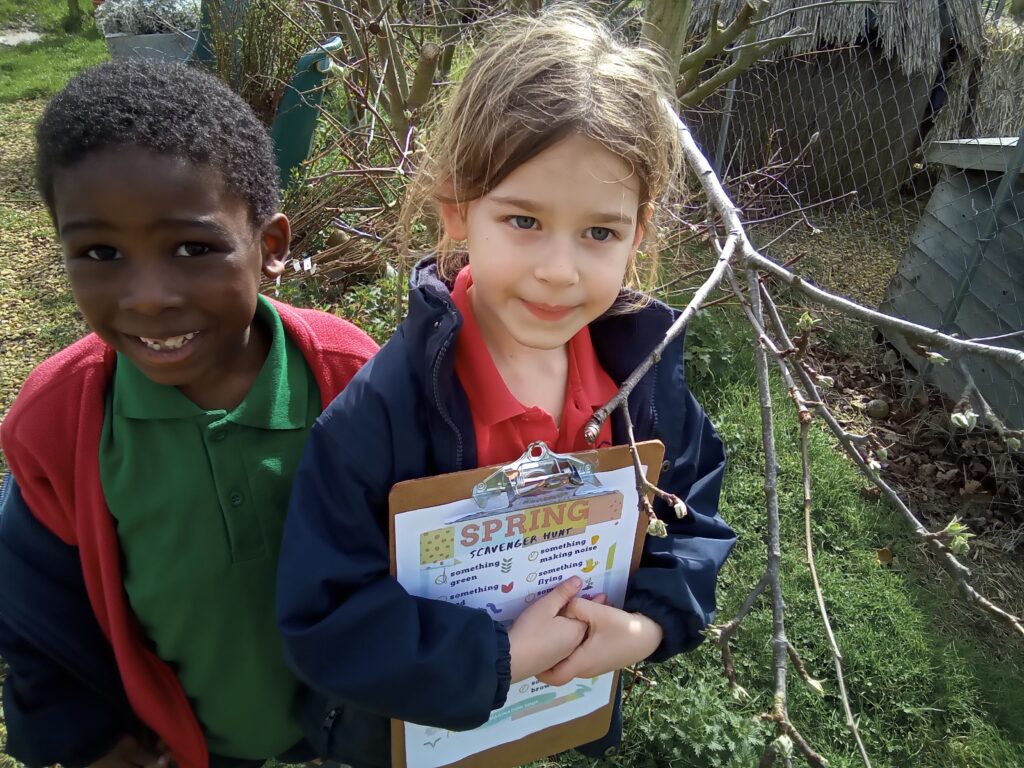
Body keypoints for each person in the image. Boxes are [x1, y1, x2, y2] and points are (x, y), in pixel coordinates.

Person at [276, 8, 737, 767]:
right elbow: (325, 617)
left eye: (599, 232)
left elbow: (696, 516)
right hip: (399, 735)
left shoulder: (641, 383)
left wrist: (649, 626)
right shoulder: (383, 413)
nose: (560, 269)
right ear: (458, 209)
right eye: (524, 220)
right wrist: (496, 658)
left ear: (640, 232)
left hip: (543, 718)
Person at [0, 59, 378, 768]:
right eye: (101, 252)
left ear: (269, 248)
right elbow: (34, 610)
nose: (148, 296)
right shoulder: (61, 423)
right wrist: (92, 738)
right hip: (191, 739)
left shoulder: (349, 378)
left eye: (193, 248)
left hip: (349, 721)